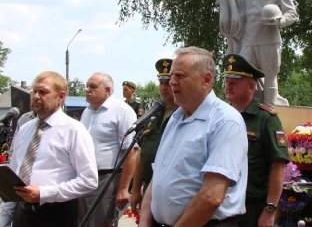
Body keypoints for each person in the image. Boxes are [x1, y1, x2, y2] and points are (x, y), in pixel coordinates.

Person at [139, 47, 248, 227]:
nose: (172, 82)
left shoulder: (225, 121)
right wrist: (144, 221)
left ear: (206, 79)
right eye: (172, 75)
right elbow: (157, 177)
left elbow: (212, 196)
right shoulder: (175, 118)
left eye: (180, 76)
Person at [0, 71, 98, 227]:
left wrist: (44, 193)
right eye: (34, 91)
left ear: (60, 97)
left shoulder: (74, 131)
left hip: (59, 214)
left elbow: (89, 180)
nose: (36, 96)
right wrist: (5, 219)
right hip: (23, 214)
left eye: (43, 92)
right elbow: (15, 175)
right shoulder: (25, 129)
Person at [223, 54, 288, 227]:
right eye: (227, 81)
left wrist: (270, 210)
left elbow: (278, 166)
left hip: (252, 208)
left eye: (234, 82)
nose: (228, 86)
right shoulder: (221, 117)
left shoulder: (266, 119)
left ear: (251, 86)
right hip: (222, 205)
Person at [80, 72, 138, 227]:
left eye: (92, 86)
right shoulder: (87, 112)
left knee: (101, 223)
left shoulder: (122, 111)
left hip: (107, 179)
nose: (87, 89)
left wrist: (124, 188)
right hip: (83, 178)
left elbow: (131, 152)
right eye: (87, 86)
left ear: (107, 90)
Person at [129, 58, 178, 213]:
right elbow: (141, 155)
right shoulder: (153, 116)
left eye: (168, 83)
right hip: (148, 190)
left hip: (171, 194)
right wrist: (136, 190)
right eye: (161, 83)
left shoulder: (184, 115)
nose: (164, 87)